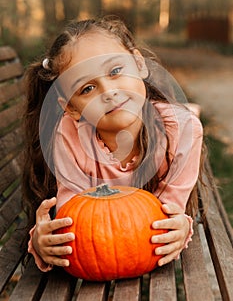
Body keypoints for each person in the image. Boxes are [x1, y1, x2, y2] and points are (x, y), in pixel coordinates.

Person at [22, 16, 205, 273]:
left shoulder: (183, 131)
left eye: (116, 71)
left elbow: (166, 219)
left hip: (144, 246)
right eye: (87, 88)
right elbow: (72, 219)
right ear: (72, 108)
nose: (108, 92)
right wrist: (44, 241)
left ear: (139, 64)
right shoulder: (69, 135)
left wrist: (179, 226)